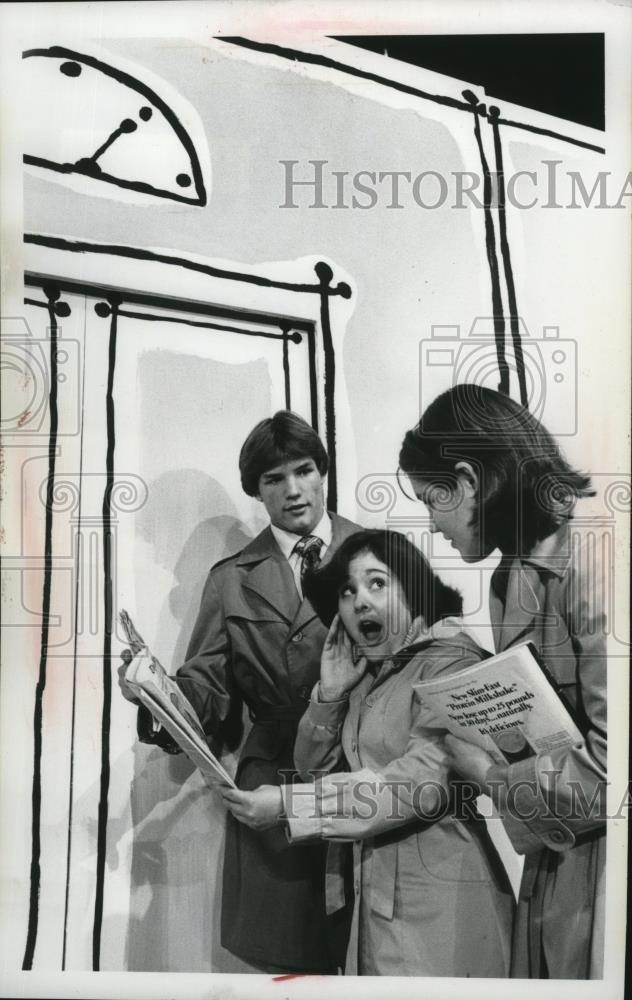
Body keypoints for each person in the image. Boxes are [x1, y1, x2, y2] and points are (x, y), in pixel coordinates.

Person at [119, 411, 359, 974]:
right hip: (272, 782)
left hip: (367, 767)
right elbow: (207, 688)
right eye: (274, 479)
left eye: (304, 470)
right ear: (256, 490)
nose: (293, 490)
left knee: (376, 951)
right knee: (290, 963)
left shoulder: (379, 554)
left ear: (323, 472)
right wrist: (158, 696)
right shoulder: (230, 578)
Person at [398, 383, 607, 979]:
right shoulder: (509, 575)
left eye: (431, 500)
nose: (433, 525)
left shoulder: (594, 560)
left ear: (468, 480)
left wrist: (488, 774)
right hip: (560, 853)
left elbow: (611, 772)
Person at [252, 528, 514, 976]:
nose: (360, 601)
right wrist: (330, 695)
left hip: (444, 912)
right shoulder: (365, 677)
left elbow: (417, 785)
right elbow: (311, 770)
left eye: (378, 583)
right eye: (347, 591)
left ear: (412, 589)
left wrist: (287, 805)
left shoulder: (452, 664)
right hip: (374, 907)